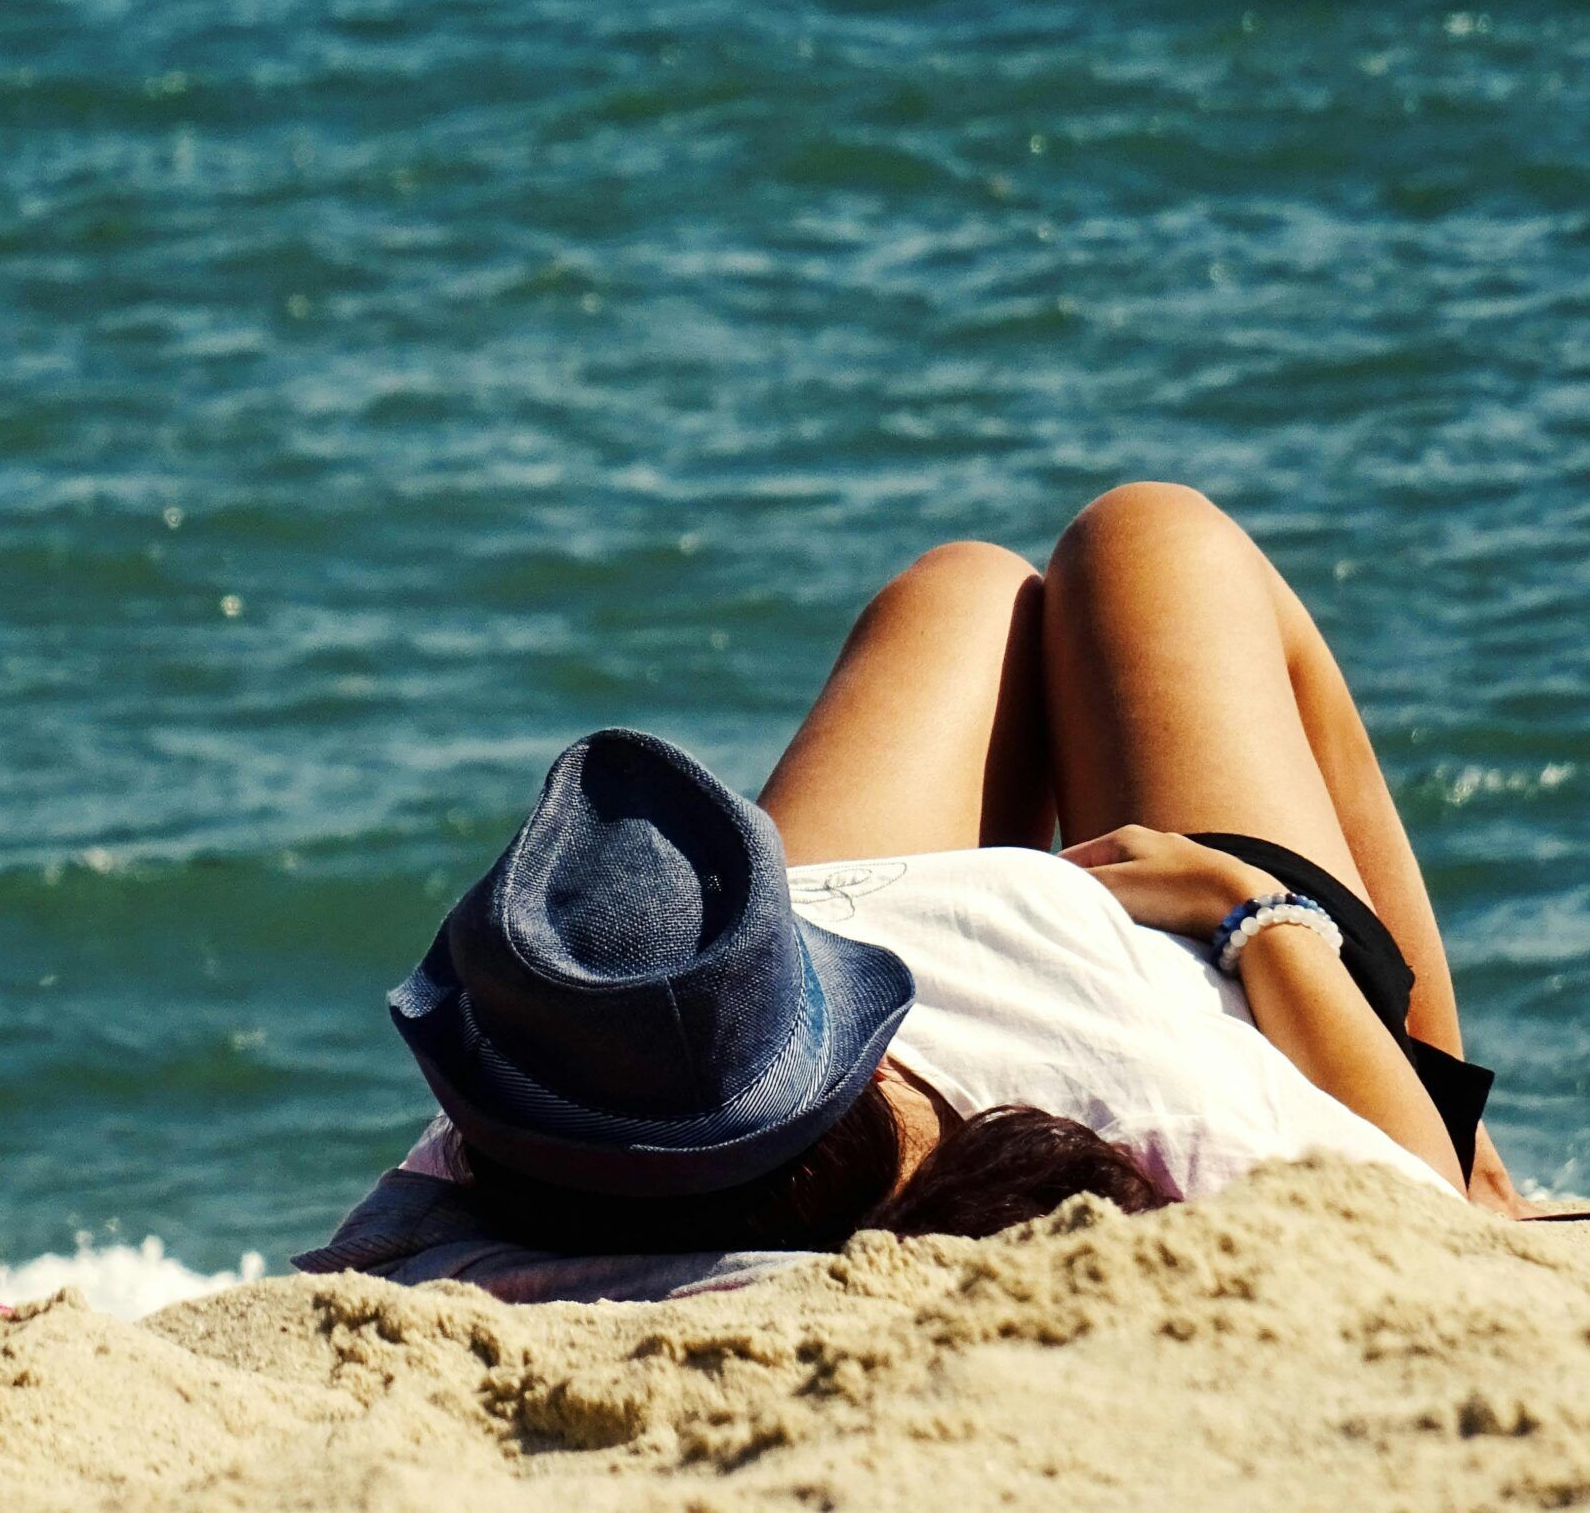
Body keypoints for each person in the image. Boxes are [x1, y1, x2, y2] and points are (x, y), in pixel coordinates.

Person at [297, 483, 1522, 1301]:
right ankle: (1482, 1135)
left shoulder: (522, 1124)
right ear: (864, 1063)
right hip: (1145, 952)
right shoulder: (1141, 1087)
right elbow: (1411, 1211)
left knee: (964, 586)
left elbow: (352, 1261)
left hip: (728, 1008)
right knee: (1145, 538)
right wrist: (1255, 913)